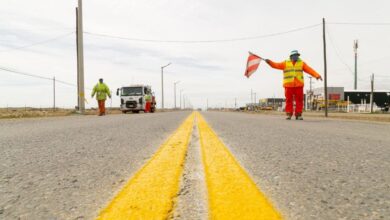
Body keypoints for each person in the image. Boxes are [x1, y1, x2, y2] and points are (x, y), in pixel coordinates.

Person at [265, 50, 322, 120]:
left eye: (297, 55)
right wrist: (269, 62)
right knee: (288, 100)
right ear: (291, 56)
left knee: (299, 100)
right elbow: (276, 65)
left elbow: (309, 70)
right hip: (288, 85)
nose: (296, 57)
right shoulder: (285, 63)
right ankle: (289, 114)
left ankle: (298, 114)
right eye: (295, 55)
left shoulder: (302, 63)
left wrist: (317, 75)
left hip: (299, 85)